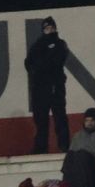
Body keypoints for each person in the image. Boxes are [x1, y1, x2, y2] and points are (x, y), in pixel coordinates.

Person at [24, 17, 69, 153]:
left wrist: (40, 66)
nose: (49, 30)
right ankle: (41, 148)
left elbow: (56, 61)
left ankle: (64, 146)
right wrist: (38, 69)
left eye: (51, 28)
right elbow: (28, 63)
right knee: (40, 121)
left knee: (60, 118)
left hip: (55, 88)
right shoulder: (37, 44)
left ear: (55, 28)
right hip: (40, 90)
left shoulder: (60, 44)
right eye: (46, 28)